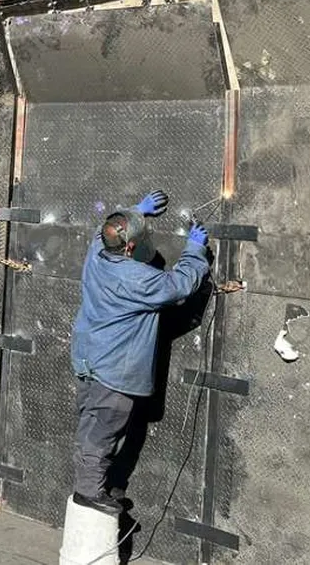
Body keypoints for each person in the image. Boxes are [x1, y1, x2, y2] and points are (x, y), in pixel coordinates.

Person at [69, 190, 210, 516]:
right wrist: (194, 249)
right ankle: (88, 492)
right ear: (129, 247)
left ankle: (96, 482)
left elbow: (103, 228)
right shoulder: (137, 278)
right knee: (104, 432)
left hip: (88, 360)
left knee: (90, 425)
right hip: (114, 370)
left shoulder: (97, 251)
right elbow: (180, 285)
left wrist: (137, 211)